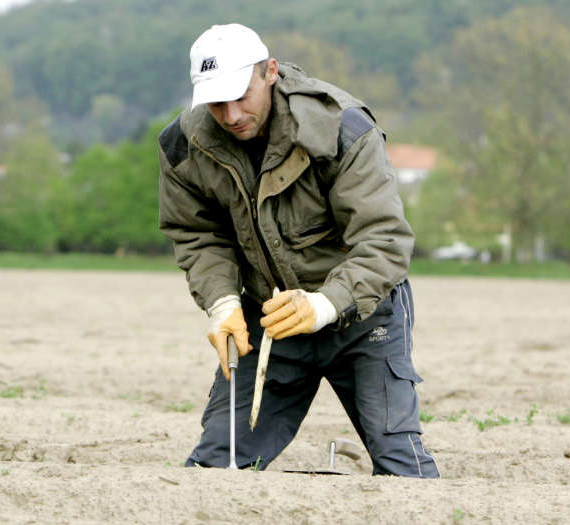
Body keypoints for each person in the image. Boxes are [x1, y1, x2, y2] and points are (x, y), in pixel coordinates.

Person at [158, 24, 439, 477]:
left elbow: (385, 240)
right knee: (214, 469)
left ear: (270, 72)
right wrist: (223, 302)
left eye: (240, 96)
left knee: (402, 469)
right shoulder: (182, 146)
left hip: (363, 316)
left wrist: (326, 304)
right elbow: (197, 235)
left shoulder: (343, 128)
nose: (230, 115)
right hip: (270, 320)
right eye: (216, 102)